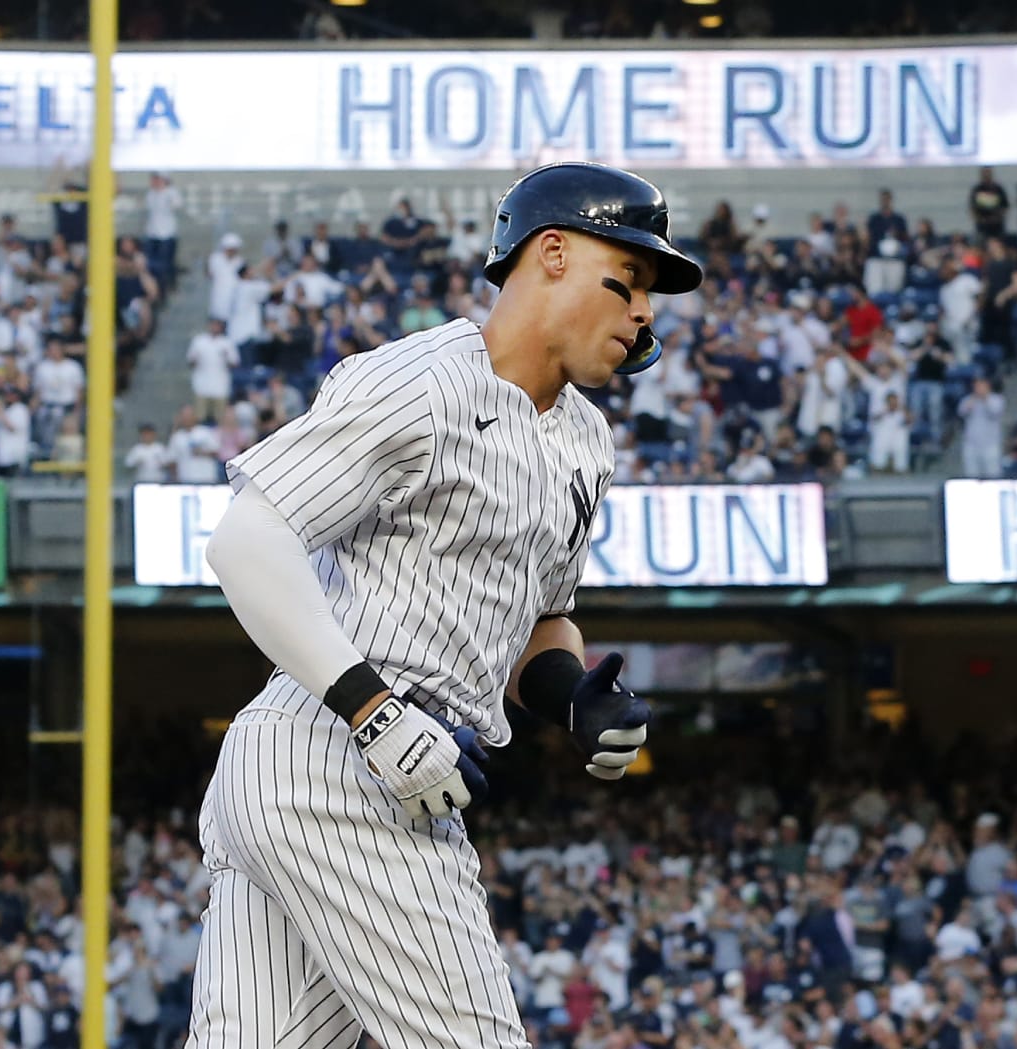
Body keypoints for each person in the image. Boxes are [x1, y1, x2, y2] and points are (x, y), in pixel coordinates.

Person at [187, 162, 702, 1049]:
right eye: (625, 282)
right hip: (335, 757)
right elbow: (247, 541)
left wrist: (573, 691)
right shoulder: (418, 380)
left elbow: (541, 620)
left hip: (369, 765)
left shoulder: (586, 440)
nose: (643, 313)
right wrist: (375, 715)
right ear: (550, 254)